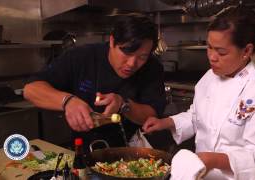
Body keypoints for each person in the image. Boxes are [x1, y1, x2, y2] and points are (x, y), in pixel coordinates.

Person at [142, 6, 255, 180]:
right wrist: (166, 122)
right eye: (209, 47)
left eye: (221, 51)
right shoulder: (209, 77)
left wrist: (215, 160)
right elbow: (197, 116)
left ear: (247, 51)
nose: (212, 57)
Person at [23, 15, 166, 152]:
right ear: (112, 41)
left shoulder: (152, 67)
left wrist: (123, 105)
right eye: (127, 52)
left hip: (132, 151)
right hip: (83, 150)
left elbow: (151, 115)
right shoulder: (81, 57)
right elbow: (30, 90)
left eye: (142, 57)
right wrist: (67, 101)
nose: (132, 64)